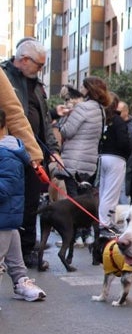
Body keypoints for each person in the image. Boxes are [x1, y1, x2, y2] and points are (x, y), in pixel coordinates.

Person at [1, 38, 62, 268]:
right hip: (8, 150)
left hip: (22, 152)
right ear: (24, 59)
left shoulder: (37, 86)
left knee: (25, 205)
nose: (40, 70)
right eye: (38, 65)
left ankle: (24, 255)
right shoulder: (6, 75)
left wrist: (42, 154)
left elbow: (34, 119)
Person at [0, 108, 47, 305]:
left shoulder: (6, 154)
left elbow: (5, 188)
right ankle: (21, 283)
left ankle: (21, 282)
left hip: (3, 216)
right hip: (7, 219)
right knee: (14, 254)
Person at [58, 76, 111, 197]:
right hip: (89, 161)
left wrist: (63, 120)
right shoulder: (100, 109)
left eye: (83, 86)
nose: (80, 88)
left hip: (75, 159)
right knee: (83, 198)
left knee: (73, 199)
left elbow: (67, 131)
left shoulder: (83, 107)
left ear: (89, 89)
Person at [97, 93, 131, 236]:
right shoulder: (118, 121)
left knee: (103, 191)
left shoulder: (103, 119)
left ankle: (102, 220)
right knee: (111, 193)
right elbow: (124, 142)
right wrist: (128, 151)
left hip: (102, 156)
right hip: (116, 158)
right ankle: (105, 223)